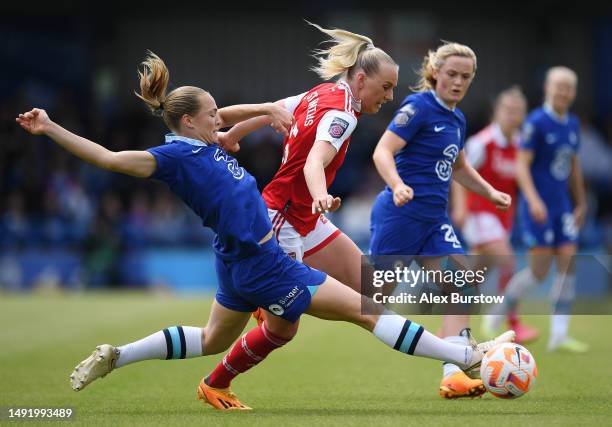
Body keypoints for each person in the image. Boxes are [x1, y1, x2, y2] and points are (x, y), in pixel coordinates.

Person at [16, 52, 514, 411]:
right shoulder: (175, 157)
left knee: (219, 337)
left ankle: (129, 358)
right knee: (356, 313)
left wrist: (253, 118)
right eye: (213, 114)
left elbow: (248, 116)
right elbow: (107, 158)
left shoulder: (208, 143)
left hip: (253, 249)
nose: (223, 119)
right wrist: (51, 128)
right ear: (190, 123)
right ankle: (463, 357)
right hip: (269, 252)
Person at [368, 42, 513, 399]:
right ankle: (292, 293)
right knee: (367, 301)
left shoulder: (457, 118)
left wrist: (489, 192)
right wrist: (398, 184)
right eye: (451, 74)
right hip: (400, 218)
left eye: (465, 76)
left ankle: (453, 373)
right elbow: (382, 151)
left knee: (463, 283)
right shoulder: (418, 107)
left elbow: (459, 166)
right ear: (436, 73)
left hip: (433, 222)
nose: (458, 81)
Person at [220, 22, 398, 301]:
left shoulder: (322, 93)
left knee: (373, 287)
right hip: (284, 218)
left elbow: (274, 110)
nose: (390, 96)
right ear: (361, 80)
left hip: (307, 218)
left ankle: (456, 343)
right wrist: (321, 196)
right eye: (386, 87)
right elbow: (313, 161)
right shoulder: (344, 114)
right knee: (281, 327)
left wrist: (233, 133)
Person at [486, 66, 588, 353]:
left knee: (568, 262)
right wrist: (532, 200)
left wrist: (581, 201)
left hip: (563, 207)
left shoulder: (573, 124)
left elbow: (574, 166)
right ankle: (498, 312)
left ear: (574, 92)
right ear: (547, 88)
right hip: (539, 208)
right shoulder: (536, 122)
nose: (563, 92)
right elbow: (521, 165)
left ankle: (559, 333)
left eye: (568, 87)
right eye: (559, 86)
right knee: (539, 272)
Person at [449, 86, 539, 343]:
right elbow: (459, 173)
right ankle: (509, 322)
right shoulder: (482, 142)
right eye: (508, 110)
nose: (513, 115)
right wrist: (461, 207)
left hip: (502, 217)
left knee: (475, 274)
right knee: (507, 260)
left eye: (518, 111)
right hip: (479, 213)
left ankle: (449, 323)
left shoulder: (521, 144)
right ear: (497, 112)